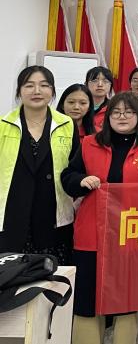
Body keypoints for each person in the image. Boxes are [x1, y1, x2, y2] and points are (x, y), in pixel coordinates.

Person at [62, 92, 138, 344]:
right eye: (116, 112)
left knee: (128, 300)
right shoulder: (89, 144)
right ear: (107, 117)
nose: (122, 117)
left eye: (128, 112)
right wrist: (81, 180)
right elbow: (68, 177)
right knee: (86, 300)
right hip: (92, 235)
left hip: (133, 235)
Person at [0, 66, 77, 263]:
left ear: (52, 91)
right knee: (13, 274)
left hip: (53, 214)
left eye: (44, 85)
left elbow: (75, 167)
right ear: (19, 91)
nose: (37, 91)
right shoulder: (3, 124)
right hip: (12, 213)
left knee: (52, 275)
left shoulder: (66, 124)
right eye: (29, 85)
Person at [85, 66, 113, 131]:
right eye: (95, 80)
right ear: (86, 84)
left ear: (110, 85)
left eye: (105, 81)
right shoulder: (79, 107)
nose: (100, 84)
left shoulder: (114, 108)